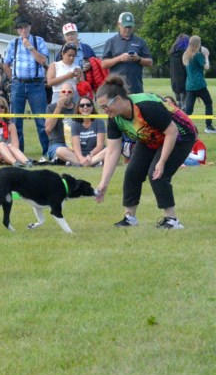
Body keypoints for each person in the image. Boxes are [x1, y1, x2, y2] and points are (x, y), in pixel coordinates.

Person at [94, 75, 198, 229]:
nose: (104, 111)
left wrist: (161, 162)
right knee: (132, 172)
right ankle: (130, 218)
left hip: (180, 135)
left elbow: (172, 132)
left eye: (105, 106)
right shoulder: (114, 118)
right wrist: (104, 183)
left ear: (116, 99)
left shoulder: (146, 107)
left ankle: (172, 220)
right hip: (150, 136)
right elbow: (113, 150)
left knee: (156, 173)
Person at [2, 15, 50, 155]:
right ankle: (18, 151)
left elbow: (42, 61)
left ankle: (47, 151)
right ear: (17, 30)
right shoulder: (13, 44)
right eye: (20, 28)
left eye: (25, 27)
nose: (23, 30)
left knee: (41, 120)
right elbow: (5, 64)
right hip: (18, 85)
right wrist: (14, 79)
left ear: (30, 27)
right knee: (17, 121)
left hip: (36, 85)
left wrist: (30, 47)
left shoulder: (38, 41)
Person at [101, 12, 152, 95]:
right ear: (119, 24)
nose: (127, 29)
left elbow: (150, 62)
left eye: (130, 27)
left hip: (136, 88)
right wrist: (119, 58)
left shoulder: (140, 41)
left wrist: (138, 59)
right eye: (125, 27)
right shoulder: (111, 42)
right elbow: (103, 64)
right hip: (116, 88)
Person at [0, 96, 32, 167]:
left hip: (8, 151)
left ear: (5, 109)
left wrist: (7, 154)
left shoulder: (11, 125)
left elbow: (15, 145)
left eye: (2, 107)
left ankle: (26, 162)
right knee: (2, 144)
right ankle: (14, 162)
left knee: (10, 145)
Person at [182, 35, 214, 133]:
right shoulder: (198, 55)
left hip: (190, 86)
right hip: (200, 85)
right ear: (197, 44)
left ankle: (183, 126)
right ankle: (208, 127)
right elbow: (206, 67)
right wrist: (206, 55)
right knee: (208, 103)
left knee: (189, 109)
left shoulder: (185, 55)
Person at [44, 82, 80, 165]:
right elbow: (48, 130)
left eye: (69, 92)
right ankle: (81, 162)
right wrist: (59, 107)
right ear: (59, 94)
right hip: (57, 144)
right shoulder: (51, 107)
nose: (66, 94)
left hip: (76, 143)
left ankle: (71, 161)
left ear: (73, 95)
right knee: (60, 151)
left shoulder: (78, 108)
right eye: (63, 92)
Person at [70, 98, 106, 167]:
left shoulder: (99, 121)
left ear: (92, 107)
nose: (85, 107)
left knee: (111, 149)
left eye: (88, 105)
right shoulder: (75, 123)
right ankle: (89, 163)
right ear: (78, 108)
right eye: (82, 105)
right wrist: (81, 158)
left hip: (96, 153)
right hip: (80, 154)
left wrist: (90, 155)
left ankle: (80, 164)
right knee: (60, 150)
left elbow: (100, 145)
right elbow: (76, 147)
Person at [168, 33, 189, 108]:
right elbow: (186, 68)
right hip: (184, 83)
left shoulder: (172, 54)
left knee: (178, 105)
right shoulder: (184, 54)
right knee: (184, 106)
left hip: (174, 83)